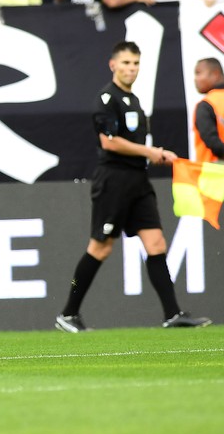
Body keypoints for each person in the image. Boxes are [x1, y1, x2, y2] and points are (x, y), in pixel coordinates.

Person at [56, 41, 212, 332]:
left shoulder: (135, 100)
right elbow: (109, 142)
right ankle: (68, 313)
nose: (132, 69)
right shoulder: (106, 99)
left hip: (138, 180)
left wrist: (154, 156)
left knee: (156, 243)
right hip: (114, 180)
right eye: (126, 63)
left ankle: (172, 314)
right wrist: (150, 152)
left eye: (136, 63)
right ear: (113, 65)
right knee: (100, 248)